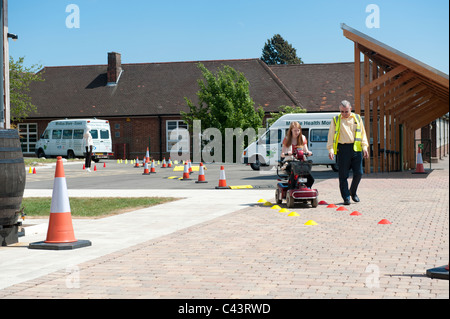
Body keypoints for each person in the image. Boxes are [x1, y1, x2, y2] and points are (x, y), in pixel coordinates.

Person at [327, 100, 369, 205]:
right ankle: (346, 197)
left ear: (350, 108)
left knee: (359, 173)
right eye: (342, 111)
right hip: (342, 149)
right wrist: (331, 149)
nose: (344, 114)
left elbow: (362, 133)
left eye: (346, 111)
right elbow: (331, 135)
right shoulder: (336, 120)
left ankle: (353, 192)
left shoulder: (357, 118)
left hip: (356, 148)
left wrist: (365, 147)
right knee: (343, 175)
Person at [281, 121, 314, 189]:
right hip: (290, 161)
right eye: (295, 130)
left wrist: (308, 152)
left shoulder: (302, 138)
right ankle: (291, 190)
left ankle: (307, 188)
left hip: (300, 161)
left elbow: (306, 150)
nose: (297, 132)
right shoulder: (287, 139)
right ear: (291, 130)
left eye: (298, 130)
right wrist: (287, 154)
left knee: (310, 179)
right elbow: (282, 154)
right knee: (293, 176)